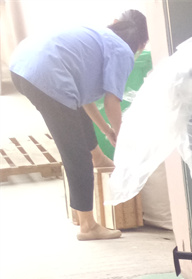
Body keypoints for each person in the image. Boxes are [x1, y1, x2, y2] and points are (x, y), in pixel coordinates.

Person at [9, 10, 149, 241]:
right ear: (142, 44)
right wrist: (124, 142)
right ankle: (88, 226)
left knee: (74, 114)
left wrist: (106, 130)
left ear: (116, 23)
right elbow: (112, 102)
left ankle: (98, 157)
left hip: (21, 64)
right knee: (76, 154)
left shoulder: (98, 35)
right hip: (45, 73)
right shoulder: (123, 51)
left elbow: (83, 100)